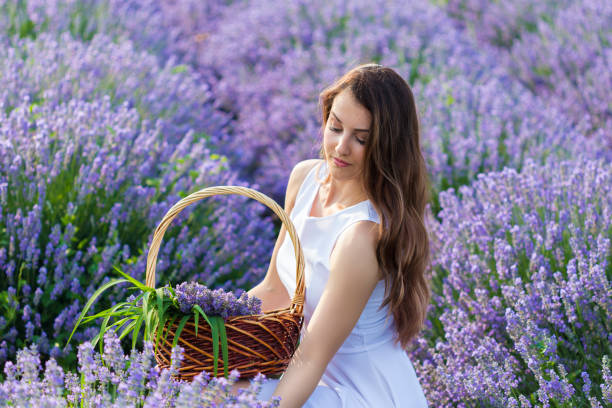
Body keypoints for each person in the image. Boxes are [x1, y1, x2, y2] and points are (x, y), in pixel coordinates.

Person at [248, 63, 430, 407]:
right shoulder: (304, 180)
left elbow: (312, 357)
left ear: (386, 147)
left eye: (361, 139)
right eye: (335, 127)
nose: (341, 147)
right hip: (314, 379)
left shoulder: (361, 236)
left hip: (362, 393)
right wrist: (210, 330)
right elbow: (274, 290)